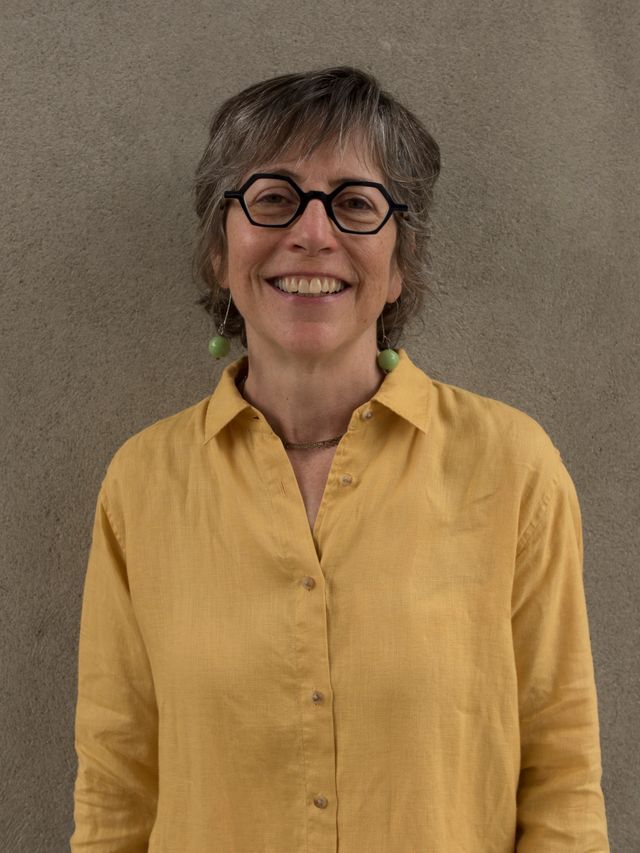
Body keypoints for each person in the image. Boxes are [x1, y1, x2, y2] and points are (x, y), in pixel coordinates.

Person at [70, 66, 609, 851]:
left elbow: (563, 785)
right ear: (220, 251)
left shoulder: (512, 470)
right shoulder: (143, 484)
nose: (313, 233)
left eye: (355, 203)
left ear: (399, 262)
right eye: (273, 198)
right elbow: (114, 790)